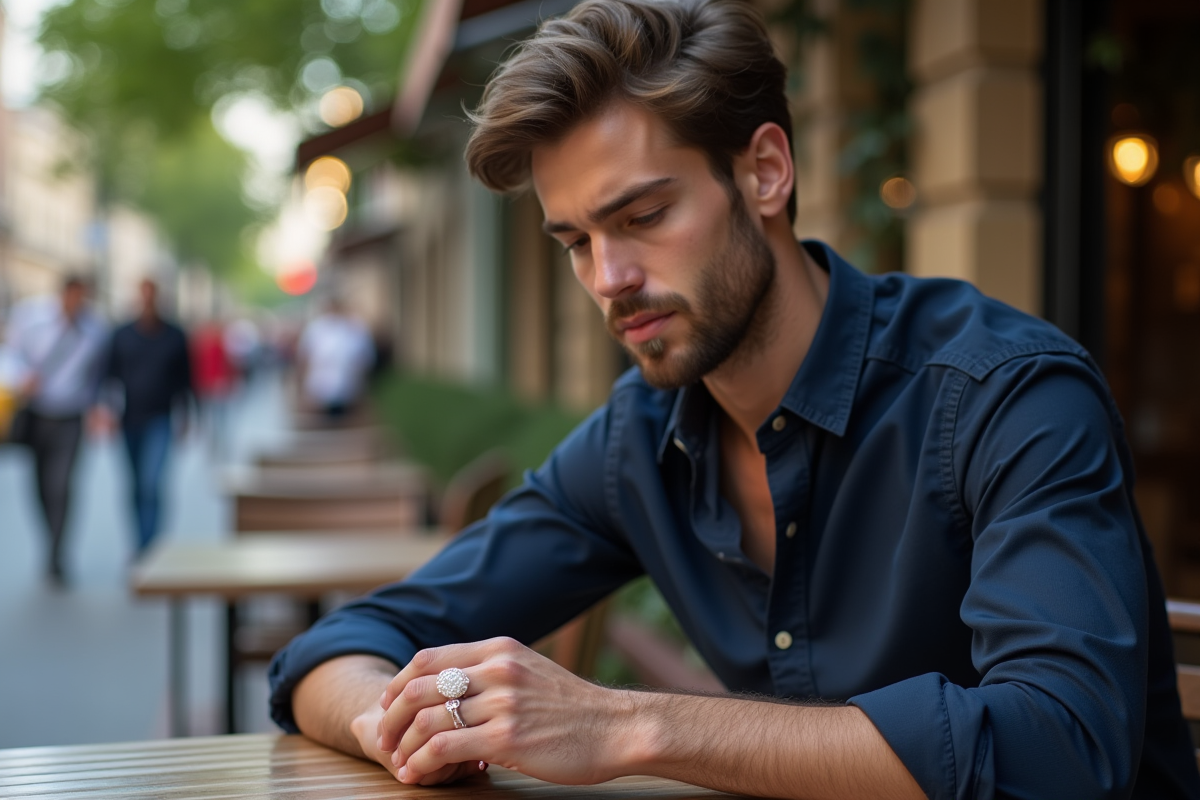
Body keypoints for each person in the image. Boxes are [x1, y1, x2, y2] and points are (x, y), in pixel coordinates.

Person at [267, 2, 1200, 798]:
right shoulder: (639, 445)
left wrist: (627, 726)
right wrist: (409, 724)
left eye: (643, 216)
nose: (609, 278)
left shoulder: (1007, 394)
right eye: (576, 242)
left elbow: (1062, 747)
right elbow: (336, 649)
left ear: (765, 173)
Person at [3, 276, 108, 584]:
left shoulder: (95, 331)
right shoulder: (31, 318)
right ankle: (49, 539)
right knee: (39, 485)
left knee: (61, 485)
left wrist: (99, 406)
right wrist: (22, 377)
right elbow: (10, 354)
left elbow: (98, 375)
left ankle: (56, 552)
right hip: (37, 413)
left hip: (71, 416)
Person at [98, 278, 193, 557]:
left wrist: (187, 414)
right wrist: (106, 411)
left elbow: (185, 380)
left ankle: (151, 547)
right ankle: (139, 541)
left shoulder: (174, 335)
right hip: (128, 419)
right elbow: (110, 375)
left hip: (160, 418)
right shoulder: (122, 334)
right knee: (135, 485)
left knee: (151, 482)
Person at [294, 296, 375, 420]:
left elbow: (365, 359)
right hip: (319, 389)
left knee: (345, 420)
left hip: (348, 389)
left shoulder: (355, 328)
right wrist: (302, 390)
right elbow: (304, 357)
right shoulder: (315, 328)